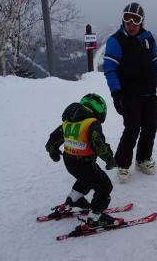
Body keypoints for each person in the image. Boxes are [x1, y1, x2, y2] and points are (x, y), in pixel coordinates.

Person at [103, 2, 157, 183]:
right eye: (127, 19)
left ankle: (143, 159)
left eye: (135, 20)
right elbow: (110, 70)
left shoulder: (148, 38)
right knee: (132, 129)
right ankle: (122, 165)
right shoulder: (116, 40)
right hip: (129, 95)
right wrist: (116, 93)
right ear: (123, 20)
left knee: (150, 127)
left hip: (149, 93)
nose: (130, 24)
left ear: (141, 21)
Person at [45, 94, 118, 230]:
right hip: (84, 163)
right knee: (104, 186)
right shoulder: (91, 123)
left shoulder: (69, 121)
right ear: (99, 109)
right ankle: (95, 218)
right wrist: (109, 159)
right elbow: (98, 144)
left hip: (70, 163)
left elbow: (53, 139)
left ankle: (73, 200)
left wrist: (53, 152)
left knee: (85, 179)